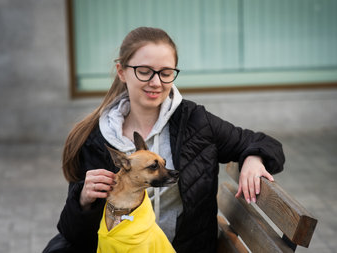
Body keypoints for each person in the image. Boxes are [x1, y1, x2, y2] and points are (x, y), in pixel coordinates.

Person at [44, 27, 285, 253]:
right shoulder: (94, 138)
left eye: (166, 73)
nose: (156, 82)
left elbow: (264, 142)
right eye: (145, 71)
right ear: (122, 72)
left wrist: (254, 157)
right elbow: (74, 234)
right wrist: (84, 201)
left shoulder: (195, 122)